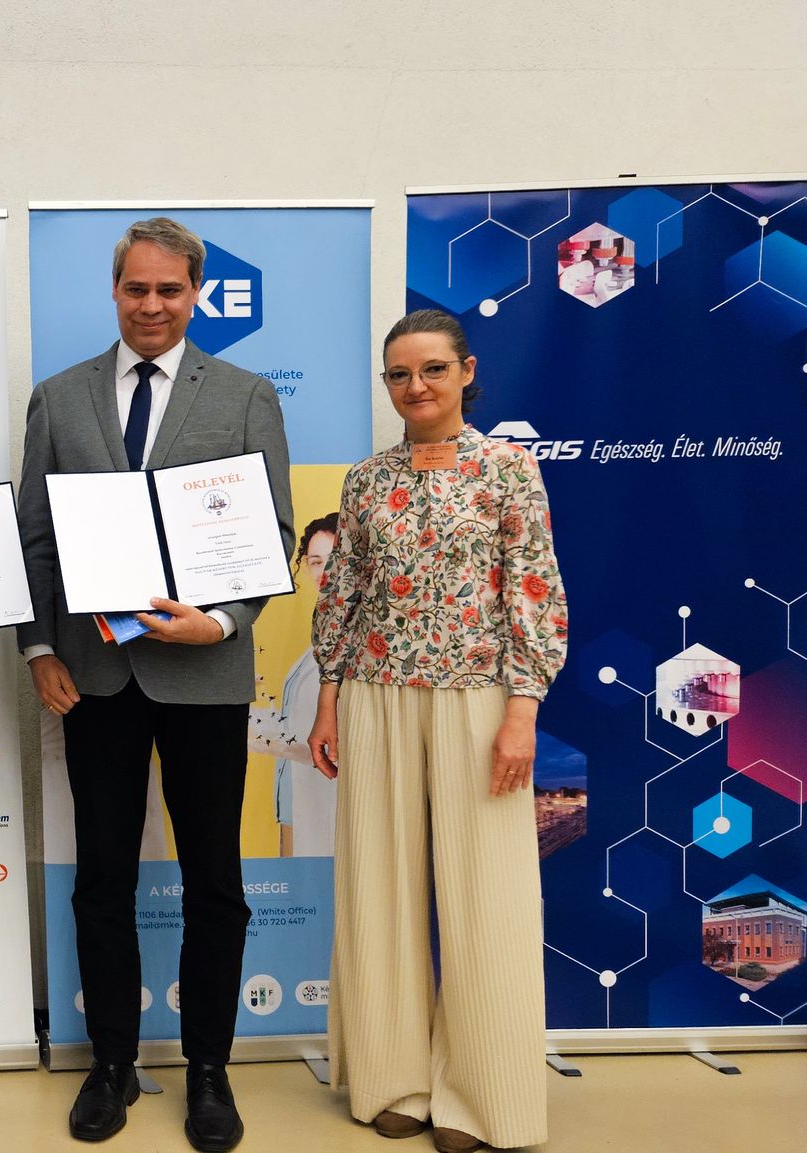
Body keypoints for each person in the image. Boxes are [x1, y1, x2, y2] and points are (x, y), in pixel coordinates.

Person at [17, 217, 292, 1151]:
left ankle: (210, 1069)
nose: (151, 305)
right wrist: (38, 648)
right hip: (94, 676)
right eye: (136, 288)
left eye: (170, 290)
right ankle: (110, 1063)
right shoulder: (59, 398)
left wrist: (222, 621)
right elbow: (36, 540)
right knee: (102, 877)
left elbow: (272, 533)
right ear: (115, 289)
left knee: (215, 879)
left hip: (205, 674)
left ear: (196, 294)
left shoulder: (246, 396)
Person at [307, 309, 566, 1153]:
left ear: (466, 372)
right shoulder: (365, 480)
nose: (415, 387)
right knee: (378, 887)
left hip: (479, 698)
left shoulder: (508, 468)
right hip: (374, 695)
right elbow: (342, 594)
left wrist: (522, 709)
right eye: (399, 374)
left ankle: (483, 1096)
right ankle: (395, 1080)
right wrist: (327, 699)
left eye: (432, 370)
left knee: (486, 895)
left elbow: (533, 588)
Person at [248, 514, 341, 858]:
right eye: (315, 561)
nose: (324, 572)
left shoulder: (357, 639)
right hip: (293, 805)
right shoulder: (319, 639)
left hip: (327, 807)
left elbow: (318, 741)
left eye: (333, 558)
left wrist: (243, 721)